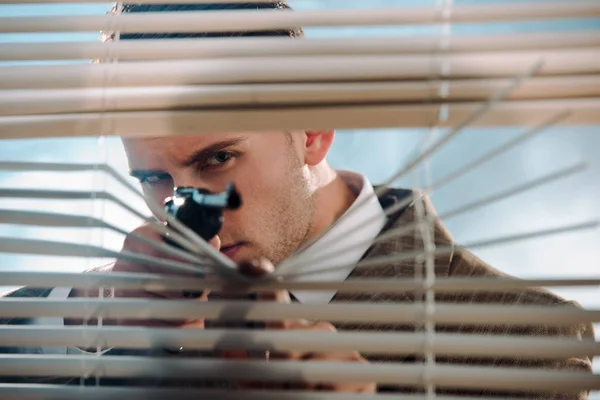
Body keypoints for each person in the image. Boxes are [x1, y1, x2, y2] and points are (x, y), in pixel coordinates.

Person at [1, 2, 595, 398]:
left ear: (311, 131)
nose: (186, 213)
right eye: (152, 179)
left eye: (216, 159)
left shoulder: (521, 348)